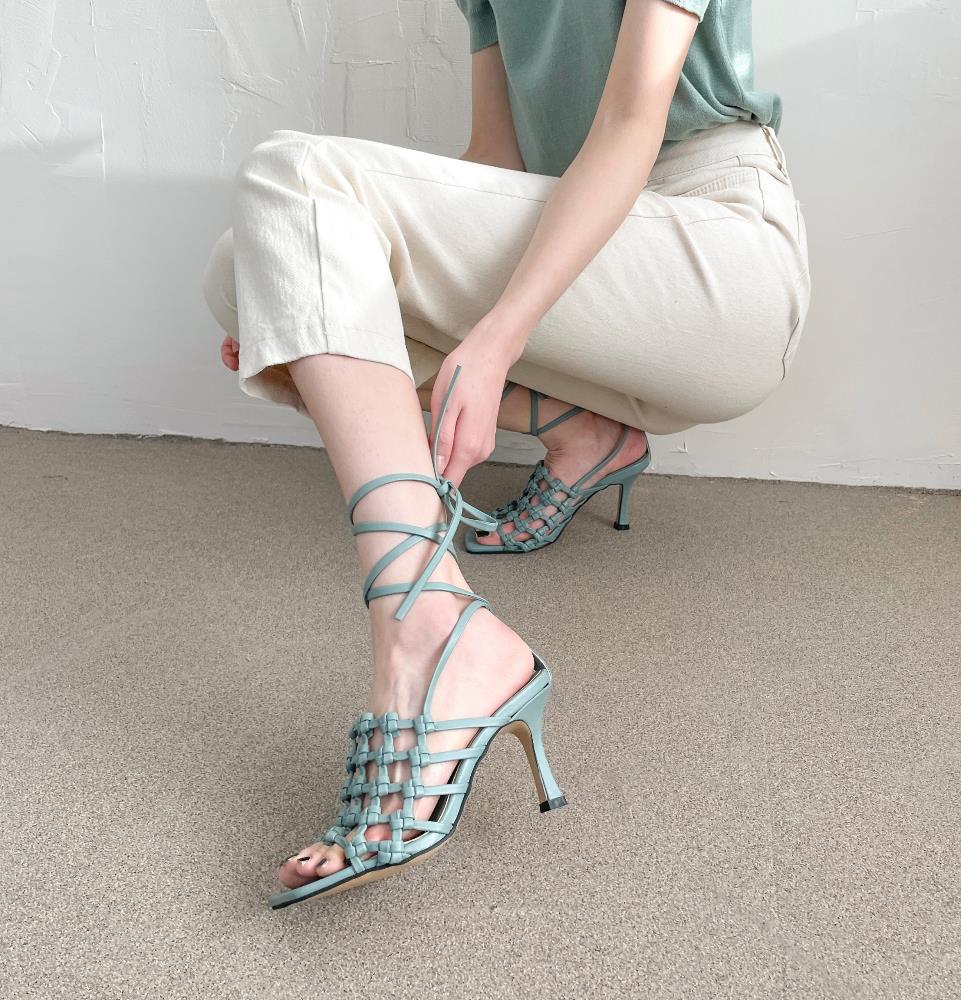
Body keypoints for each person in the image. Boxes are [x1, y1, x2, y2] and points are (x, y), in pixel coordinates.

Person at [202, 0, 811, 910]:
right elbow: (497, 160)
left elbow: (631, 121)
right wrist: (308, 305)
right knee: (254, 263)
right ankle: (579, 437)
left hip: (711, 243)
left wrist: (493, 340)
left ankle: (428, 625)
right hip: (578, 233)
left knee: (295, 186)